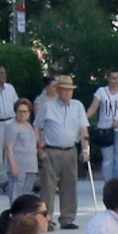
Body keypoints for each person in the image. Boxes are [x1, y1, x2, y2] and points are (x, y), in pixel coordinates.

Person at [36, 74, 87, 226]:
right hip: (51, 150)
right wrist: (40, 148)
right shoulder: (47, 107)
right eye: (63, 90)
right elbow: (37, 127)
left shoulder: (78, 106)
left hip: (70, 149)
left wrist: (86, 150)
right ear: (57, 90)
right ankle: (47, 219)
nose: (67, 93)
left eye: (69, 90)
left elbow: (83, 129)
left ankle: (67, 218)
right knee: (48, 187)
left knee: (70, 185)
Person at [92, 70, 118, 185]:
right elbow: (94, 107)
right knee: (107, 157)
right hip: (105, 129)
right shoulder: (101, 92)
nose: (115, 81)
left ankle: (117, 181)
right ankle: (108, 182)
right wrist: (84, 118)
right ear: (108, 79)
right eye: (113, 78)